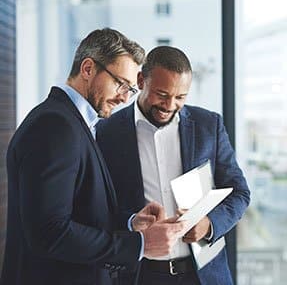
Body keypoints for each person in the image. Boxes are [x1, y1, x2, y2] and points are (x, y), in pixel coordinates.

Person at [0, 29, 188, 285]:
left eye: (130, 89)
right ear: (88, 69)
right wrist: (140, 245)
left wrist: (132, 222)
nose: (124, 97)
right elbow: (50, 232)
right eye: (120, 83)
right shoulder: (55, 126)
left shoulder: (74, 122)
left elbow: (78, 212)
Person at [97, 46, 251, 285]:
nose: (169, 105)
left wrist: (209, 225)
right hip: (140, 275)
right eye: (162, 94)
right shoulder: (106, 132)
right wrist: (132, 222)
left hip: (205, 275)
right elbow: (99, 207)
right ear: (141, 80)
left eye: (180, 97)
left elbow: (240, 193)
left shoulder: (208, 125)